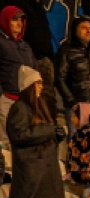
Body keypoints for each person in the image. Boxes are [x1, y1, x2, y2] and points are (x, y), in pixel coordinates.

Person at [7, 66, 67, 198]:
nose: (41, 86)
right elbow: (20, 134)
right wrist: (49, 130)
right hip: (32, 173)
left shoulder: (37, 107)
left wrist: (56, 135)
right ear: (29, 86)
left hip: (44, 171)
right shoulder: (19, 107)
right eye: (37, 83)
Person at [0, 6, 37, 147]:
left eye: (21, 20)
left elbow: (34, 71)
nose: (19, 23)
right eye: (14, 19)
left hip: (26, 102)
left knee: (24, 143)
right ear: (5, 21)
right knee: (6, 143)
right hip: (6, 100)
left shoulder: (25, 45)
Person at [54, 17, 90, 109]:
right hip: (76, 104)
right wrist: (71, 101)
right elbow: (60, 79)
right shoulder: (66, 51)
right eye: (84, 28)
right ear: (75, 30)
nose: (88, 31)